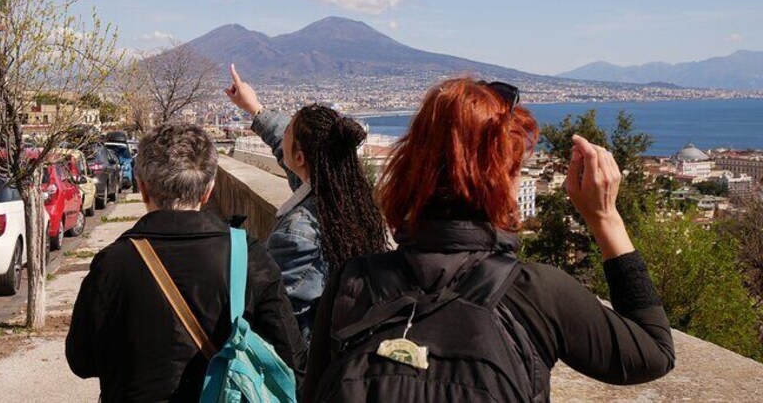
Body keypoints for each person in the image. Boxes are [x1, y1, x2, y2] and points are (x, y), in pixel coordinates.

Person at [303, 77, 675, 402]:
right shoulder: (535, 293)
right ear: (499, 179)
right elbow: (654, 351)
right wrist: (604, 217)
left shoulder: (353, 281)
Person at [65, 123, 306, 402]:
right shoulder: (248, 258)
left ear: (142, 188)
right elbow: (291, 356)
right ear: (208, 190)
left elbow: (81, 361)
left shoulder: (112, 263)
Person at [225, 64, 389, 342]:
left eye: (290, 128)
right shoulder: (344, 197)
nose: (284, 132)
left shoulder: (298, 233)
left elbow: (269, 309)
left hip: (309, 366)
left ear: (300, 159)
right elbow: (284, 145)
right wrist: (255, 109)